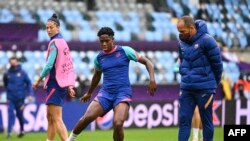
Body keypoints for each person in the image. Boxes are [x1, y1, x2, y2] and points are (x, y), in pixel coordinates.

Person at [67, 27, 157, 141]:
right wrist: (89, 93)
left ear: (112, 39)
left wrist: (152, 79)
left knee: (118, 123)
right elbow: (96, 76)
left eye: (107, 41)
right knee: (87, 117)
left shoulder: (125, 51)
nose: (104, 43)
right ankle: (69, 139)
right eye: (101, 41)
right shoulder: (99, 58)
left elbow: (147, 62)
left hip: (122, 93)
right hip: (106, 93)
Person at [177, 15, 223, 141]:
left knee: (206, 122)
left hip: (205, 89)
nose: (180, 34)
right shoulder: (181, 42)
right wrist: (184, 74)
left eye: (182, 31)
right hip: (186, 88)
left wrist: (213, 84)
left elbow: (218, 65)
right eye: (179, 31)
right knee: (184, 122)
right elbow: (181, 60)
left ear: (191, 28)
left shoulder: (208, 41)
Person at [32, 13, 76, 141]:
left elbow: (49, 65)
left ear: (58, 28)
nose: (49, 30)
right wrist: (70, 85)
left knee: (56, 118)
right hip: (60, 84)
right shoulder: (63, 43)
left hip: (54, 84)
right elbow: (68, 66)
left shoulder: (54, 43)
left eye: (51, 27)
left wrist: (38, 80)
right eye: (47, 28)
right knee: (50, 116)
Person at [3, 56, 34, 138]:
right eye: (11, 62)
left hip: (20, 98)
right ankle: (9, 132)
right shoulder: (7, 74)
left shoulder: (23, 73)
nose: (13, 64)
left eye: (14, 62)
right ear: (10, 63)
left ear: (17, 62)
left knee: (20, 115)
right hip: (10, 98)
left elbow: (29, 83)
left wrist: (30, 94)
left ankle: (22, 130)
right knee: (10, 114)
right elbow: (5, 83)